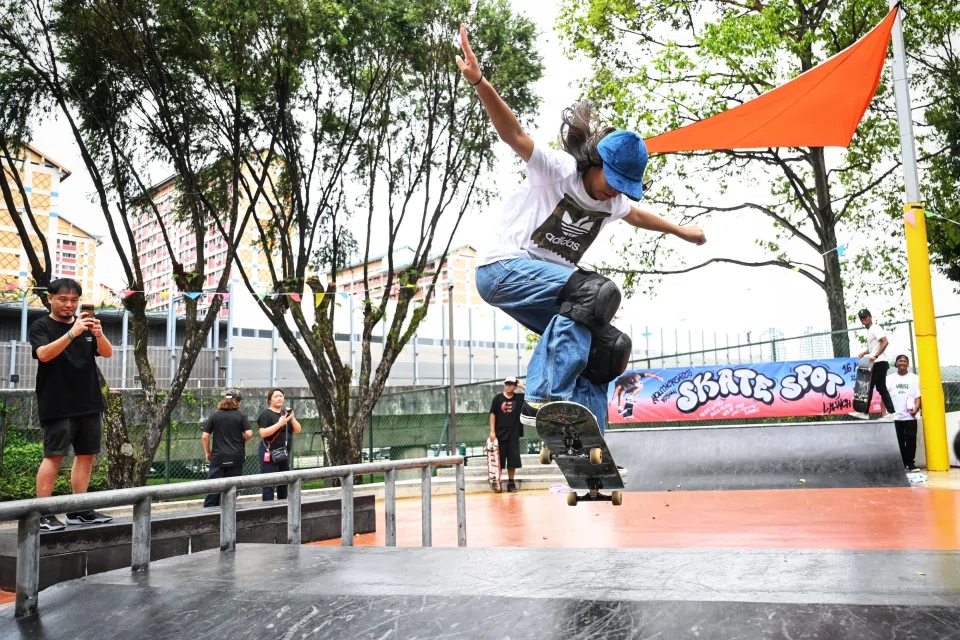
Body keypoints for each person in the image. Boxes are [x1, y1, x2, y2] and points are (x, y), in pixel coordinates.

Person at [457, 24, 706, 437]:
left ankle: (588, 443)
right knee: (595, 292)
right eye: (613, 181)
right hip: (503, 269)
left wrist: (681, 231)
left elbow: (640, 217)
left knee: (607, 346)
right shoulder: (558, 171)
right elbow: (514, 134)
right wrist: (480, 82)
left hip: (549, 291)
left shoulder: (615, 201)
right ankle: (542, 398)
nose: (614, 193)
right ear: (595, 161)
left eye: (623, 189)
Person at [29, 278, 115, 531]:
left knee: (86, 455)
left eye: (74, 300)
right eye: (63, 299)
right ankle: (42, 513)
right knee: (54, 456)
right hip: (57, 401)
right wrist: (72, 332)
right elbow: (43, 354)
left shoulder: (85, 325)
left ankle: (79, 510)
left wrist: (98, 334)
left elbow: (107, 353)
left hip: (89, 400)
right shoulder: (41, 325)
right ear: (50, 299)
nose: (69, 305)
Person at [202, 389, 253, 508]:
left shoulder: (215, 415)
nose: (240, 403)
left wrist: (208, 452)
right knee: (231, 490)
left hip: (218, 457)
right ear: (235, 401)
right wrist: (241, 442)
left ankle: (208, 518)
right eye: (239, 400)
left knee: (213, 490)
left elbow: (205, 437)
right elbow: (249, 433)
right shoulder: (241, 415)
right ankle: (229, 518)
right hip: (236, 457)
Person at [256, 388, 301, 501]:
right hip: (270, 453)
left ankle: (282, 507)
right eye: (276, 396)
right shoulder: (265, 415)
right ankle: (268, 509)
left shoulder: (285, 414)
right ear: (270, 400)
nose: (279, 398)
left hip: (284, 453)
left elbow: (297, 430)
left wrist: (292, 417)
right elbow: (263, 433)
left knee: (283, 482)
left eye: (281, 396)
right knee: (269, 483)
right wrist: (280, 423)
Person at [489, 376, 526, 493]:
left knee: (512, 460)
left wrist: (521, 385)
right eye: (507, 384)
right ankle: (497, 482)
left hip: (514, 434)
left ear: (515, 386)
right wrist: (492, 431)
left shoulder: (520, 398)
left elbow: (532, 396)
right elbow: (492, 414)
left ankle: (511, 482)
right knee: (498, 460)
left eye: (512, 384)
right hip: (499, 434)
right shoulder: (497, 398)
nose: (509, 386)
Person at [857, 309, 894, 418]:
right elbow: (874, 348)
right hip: (879, 361)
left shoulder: (875, 328)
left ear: (870, 317)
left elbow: (885, 341)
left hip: (878, 362)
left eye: (865, 317)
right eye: (861, 318)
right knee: (881, 388)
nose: (864, 319)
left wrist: (876, 355)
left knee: (868, 386)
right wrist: (865, 352)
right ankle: (892, 412)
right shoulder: (869, 331)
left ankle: (864, 412)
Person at [888, 354, 921, 471]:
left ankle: (910, 463)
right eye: (900, 361)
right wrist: (884, 414)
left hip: (910, 416)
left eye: (904, 361)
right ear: (896, 363)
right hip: (895, 416)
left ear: (908, 363)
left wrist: (916, 408)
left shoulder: (914, 378)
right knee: (898, 440)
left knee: (911, 440)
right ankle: (901, 464)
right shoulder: (889, 378)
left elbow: (918, 396)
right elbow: (884, 397)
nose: (902, 363)